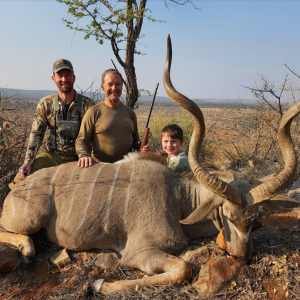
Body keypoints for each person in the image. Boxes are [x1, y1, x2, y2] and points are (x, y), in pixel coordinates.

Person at [9, 59, 94, 190]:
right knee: (19, 182)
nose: (64, 79)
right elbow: (36, 134)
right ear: (53, 78)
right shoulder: (45, 103)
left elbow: (93, 136)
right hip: (51, 156)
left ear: (74, 77)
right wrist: (28, 161)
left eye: (68, 75)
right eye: (60, 76)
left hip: (78, 160)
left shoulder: (88, 104)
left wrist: (90, 156)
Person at [76, 69, 149, 167]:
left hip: (126, 167)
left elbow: (136, 140)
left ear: (122, 86)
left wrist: (143, 148)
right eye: (110, 84)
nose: (114, 88)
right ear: (103, 87)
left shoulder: (130, 113)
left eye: (117, 84)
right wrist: (84, 155)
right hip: (100, 167)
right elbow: (81, 140)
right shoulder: (93, 112)